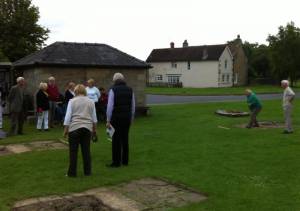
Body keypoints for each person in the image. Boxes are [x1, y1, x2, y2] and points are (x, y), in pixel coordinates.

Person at [63, 84, 97, 177]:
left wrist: (65, 130)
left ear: (75, 91)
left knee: (73, 152)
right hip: (87, 128)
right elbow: (94, 118)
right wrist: (94, 130)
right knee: (86, 151)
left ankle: (72, 173)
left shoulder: (72, 101)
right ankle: (88, 172)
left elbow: (67, 117)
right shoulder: (91, 102)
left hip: (74, 128)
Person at [106, 73, 135, 167]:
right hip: (126, 117)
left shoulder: (112, 90)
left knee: (116, 140)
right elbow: (133, 106)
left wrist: (108, 120)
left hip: (116, 118)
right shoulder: (130, 90)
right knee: (125, 139)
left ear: (114, 81)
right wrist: (131, 118)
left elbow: (110, 106)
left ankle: (116, 162)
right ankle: (125, 161)